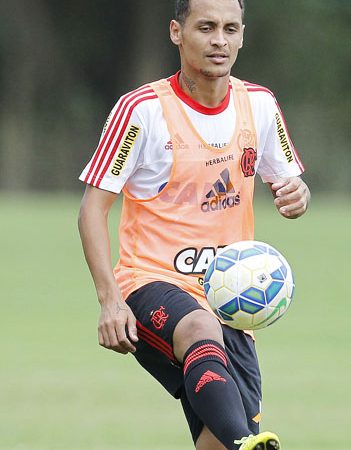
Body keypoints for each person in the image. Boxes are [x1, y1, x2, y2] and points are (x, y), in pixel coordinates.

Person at [77, 0, 309, 449]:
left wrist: (298, 195)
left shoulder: (259, 105)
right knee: (200, 331)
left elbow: (291, 184)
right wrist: (110, 301)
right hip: (149, 285)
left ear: (242, 35)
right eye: (205, 27)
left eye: (230, 28)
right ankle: (248, 444)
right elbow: (92, 209)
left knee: (214, 443)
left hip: (230, 299)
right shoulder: (141, 111)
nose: (219, 40)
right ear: (176, 32)